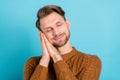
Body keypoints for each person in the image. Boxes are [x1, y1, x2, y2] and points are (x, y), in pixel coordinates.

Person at [24, 5, 102, 80]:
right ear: (42, 34)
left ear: (67, 24)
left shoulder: (91, 62)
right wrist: (44, 61)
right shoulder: (33, 63)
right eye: (48, 30)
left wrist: (56, 57)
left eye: (59, 25)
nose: (56, 32)